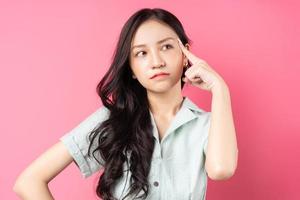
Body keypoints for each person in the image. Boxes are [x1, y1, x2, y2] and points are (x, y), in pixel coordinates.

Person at [13, 7, 238, 200]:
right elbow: (29, 181)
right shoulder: (113, 120)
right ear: (131, 68)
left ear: (185, 53)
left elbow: (221, 170)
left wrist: (220, 89)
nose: (157, 61)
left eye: (167, 47)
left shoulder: (208, 124)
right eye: (141, 53)